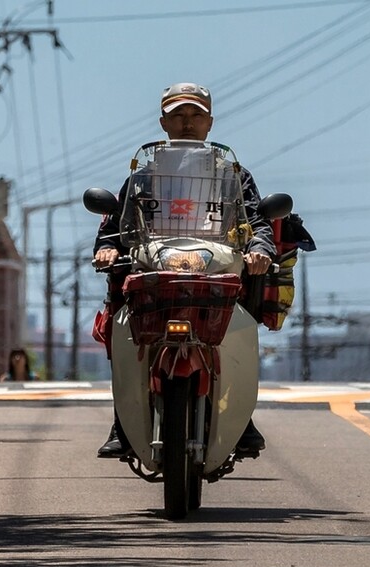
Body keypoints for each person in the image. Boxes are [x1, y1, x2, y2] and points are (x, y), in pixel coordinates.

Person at [93, 82, 276, 458]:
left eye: (195, 115)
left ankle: (240, 418)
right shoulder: (143, 176)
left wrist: (259, 249)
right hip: (154, 267)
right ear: (163, 122)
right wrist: (109, 249)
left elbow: (256, 221)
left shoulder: (233, 175)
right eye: (178, 115)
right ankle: (122, 421)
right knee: (120, 315)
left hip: (215, 267)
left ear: (210, 122)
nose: (187, 123)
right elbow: (116, 224)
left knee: (242, 316)